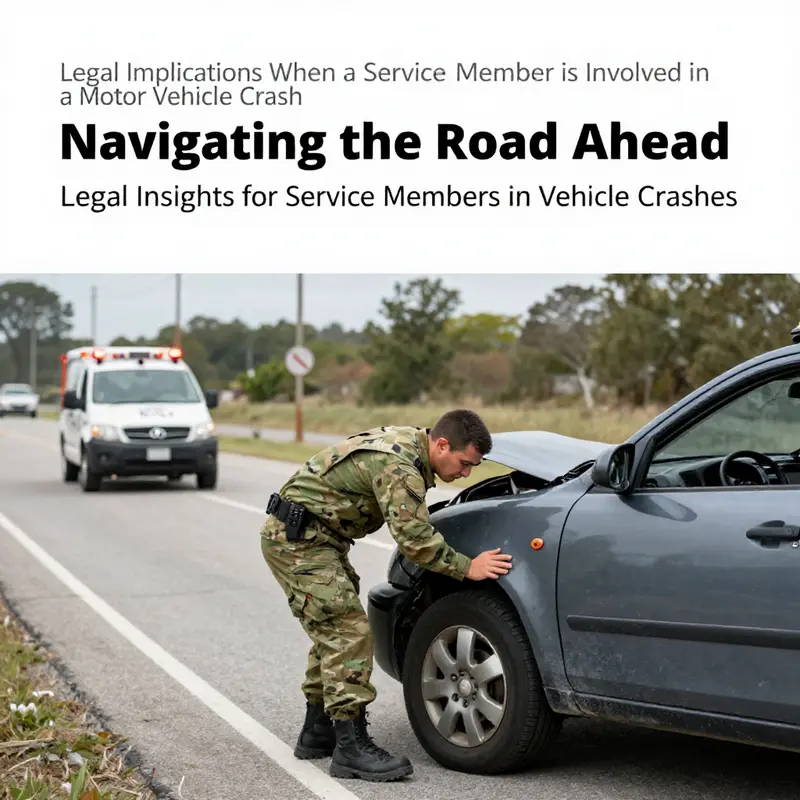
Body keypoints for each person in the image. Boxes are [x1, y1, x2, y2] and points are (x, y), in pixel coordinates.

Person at [259, 409, 513, 782]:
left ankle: (318, 732)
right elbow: (415, 540)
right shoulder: (401, 466)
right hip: (298, 543)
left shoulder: (413, 448)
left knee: (333, 629)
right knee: (348, 632)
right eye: (463, 463)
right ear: (441, 444)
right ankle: (350, 748)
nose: (465, 474)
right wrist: (467, 567)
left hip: (317, 539)